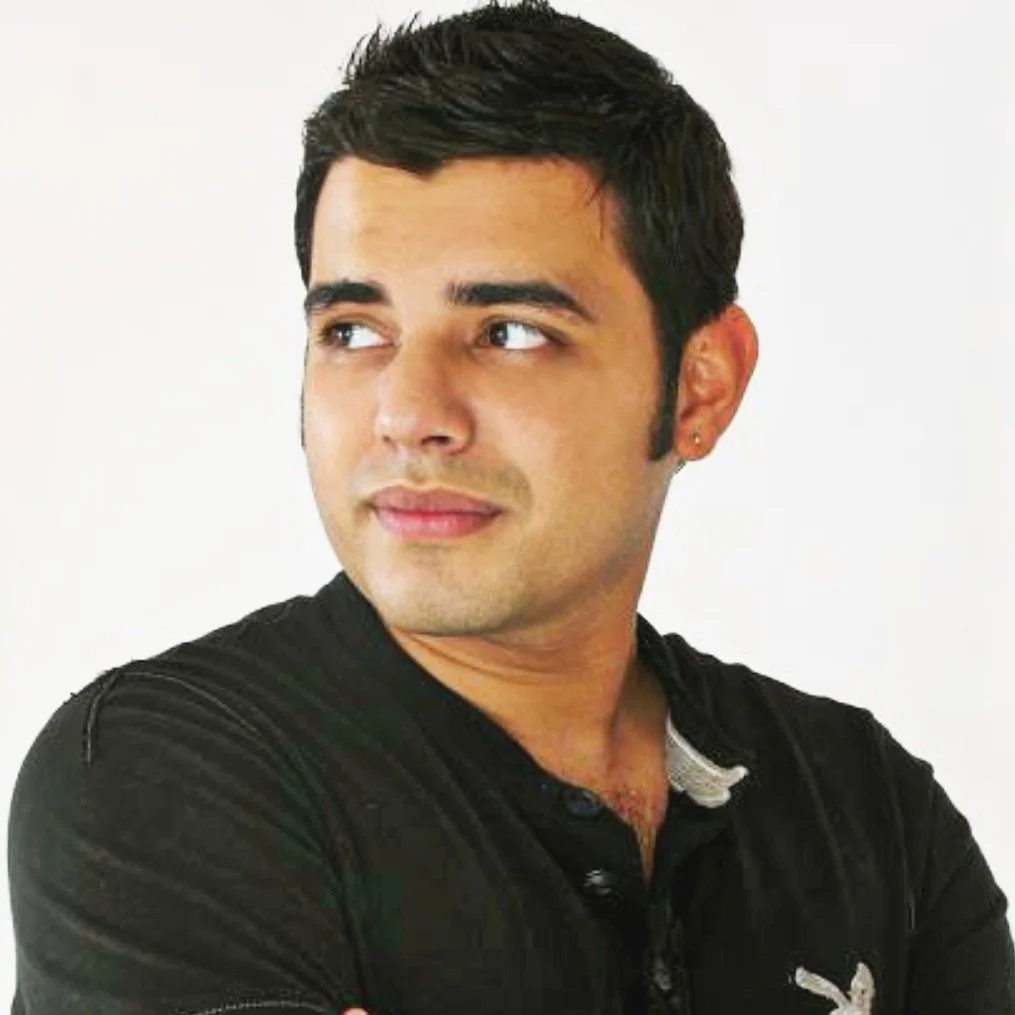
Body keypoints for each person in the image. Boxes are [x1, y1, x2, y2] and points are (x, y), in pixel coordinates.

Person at [7, 0, 1013, 1012]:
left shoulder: (866, 807)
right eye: (352, 330)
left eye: (510, 332)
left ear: (699, 386)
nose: (409, 414)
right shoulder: (163, 778)